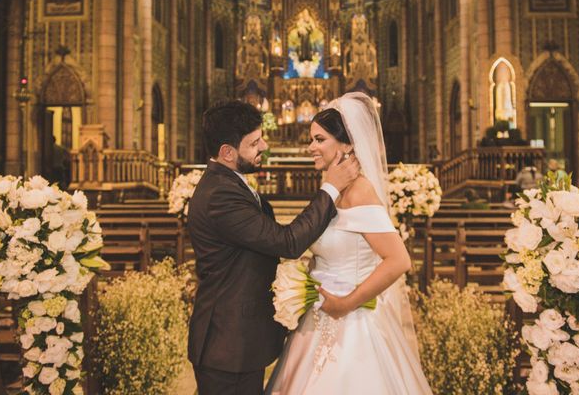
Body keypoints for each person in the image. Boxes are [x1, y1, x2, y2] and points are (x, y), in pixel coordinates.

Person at [186, 100, 360, 395]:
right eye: (254, 142)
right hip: (227, 346)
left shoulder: (230, 181)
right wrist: (330, 188)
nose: (264, 145)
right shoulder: (220, 195)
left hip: (237, 342)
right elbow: (287, 242)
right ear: (228, 153)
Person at [266, 92, 433, 394]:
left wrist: (346, 303)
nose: (311, 147)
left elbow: (399, 261)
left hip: (354, 322)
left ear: (346, 144)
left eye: (319, 139)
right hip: (318, 317)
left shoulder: (359, 191)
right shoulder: (332, 189)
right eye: (311, 139)